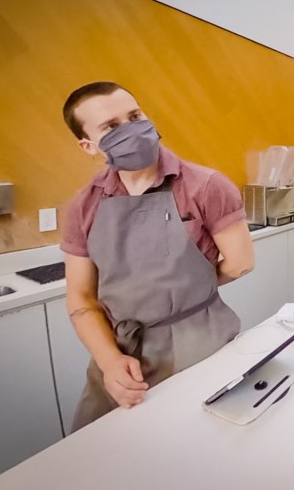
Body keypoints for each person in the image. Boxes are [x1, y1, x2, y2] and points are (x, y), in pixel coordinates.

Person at [60, 81, 254, 431]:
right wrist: (110, 362)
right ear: (88, 145)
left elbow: (240, 263)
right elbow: (81, 297)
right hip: (121, 354)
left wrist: (192, 289)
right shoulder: (83, 205)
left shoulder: (205, 186)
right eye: (111, 127)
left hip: (201, 346)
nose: (131, 129)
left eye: (135, 116)